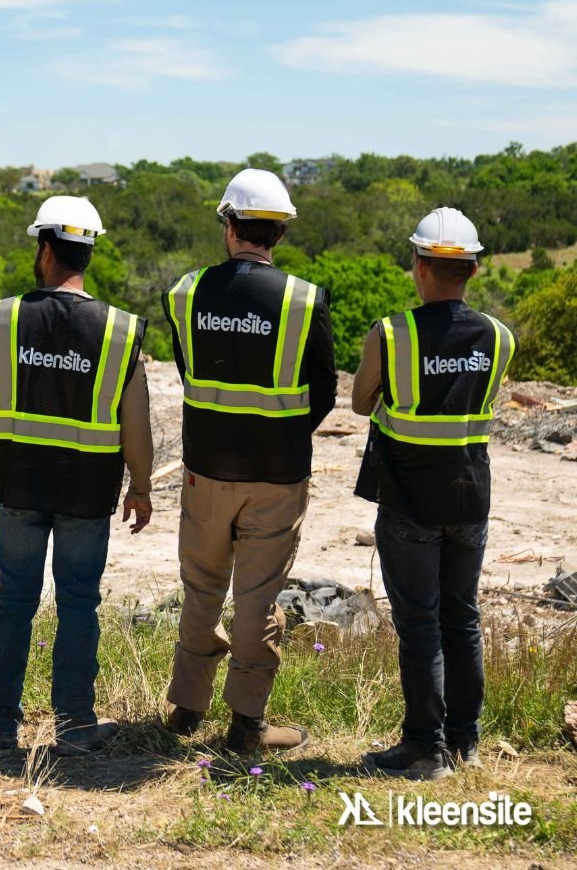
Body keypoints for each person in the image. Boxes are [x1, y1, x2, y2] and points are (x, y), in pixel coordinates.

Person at [0, 195, 153, 756]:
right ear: (86, 254)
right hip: (87, 493)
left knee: (13, 602)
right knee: (78, 606)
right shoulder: (120, 331)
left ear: (46, 249)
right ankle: (74, 727)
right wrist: (139, 486)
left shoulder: (1, 318)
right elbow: (135, 423)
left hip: (17, 486)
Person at [162, 168, 336, 754]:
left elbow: (192, 375)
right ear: (278, 233)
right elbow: (323, 393)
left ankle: (186, 708)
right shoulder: (305, 299)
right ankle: (246, 727)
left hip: (205, 470)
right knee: (257, 598)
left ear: (229, 224)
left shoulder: (184, 293)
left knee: (201, 588)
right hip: (278, 474)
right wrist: (280, 432)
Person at [354, 207, 515, 780]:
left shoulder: (391, 333)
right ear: (471, 269)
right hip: (471, 497)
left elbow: (358, 402)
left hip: (408, 500)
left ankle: (425, 747)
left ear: (419, 266)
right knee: (462, 617)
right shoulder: (500, 338)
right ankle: (465, 742)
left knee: (420, 623)